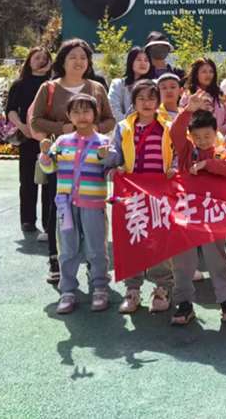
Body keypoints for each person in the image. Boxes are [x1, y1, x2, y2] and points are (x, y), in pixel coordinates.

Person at [30, 39, 116, 285]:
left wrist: (93, 130)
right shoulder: (49, 88)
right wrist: (65, 128)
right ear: (62, 61)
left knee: (92, 214)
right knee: (58, 207)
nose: (79, 62)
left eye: (83, 57)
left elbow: (109, 119)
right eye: (73, 57)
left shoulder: (96, 87)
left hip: (91, 157)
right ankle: (56, 260)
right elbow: (36, 120)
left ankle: (92, 265)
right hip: (62, 157)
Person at [103, 79, 176, 313]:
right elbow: (116, 155)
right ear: (133, 102)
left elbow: (178, 152)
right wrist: (107, 156)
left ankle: (162, 288)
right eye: (141, 98)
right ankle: (132, 289)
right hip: (132, 192)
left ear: (158, 102)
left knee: (159, 239)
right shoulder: (124, 127)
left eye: (151, 98)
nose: (147, 103)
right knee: (132, 238)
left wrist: (175, 168)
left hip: (160, 193)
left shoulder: (169, 126)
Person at [168, 93, 226, 325]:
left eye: (207, 136)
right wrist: (187, 110)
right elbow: (174, 133)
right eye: (197, 136)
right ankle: (184, 303)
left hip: (212, 217)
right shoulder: (186, 150)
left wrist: (207, 164)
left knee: (217, 259)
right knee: (182, 261)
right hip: (186, 215)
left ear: (216, 133)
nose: (202, 140)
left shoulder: (221, 153)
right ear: (191, 136)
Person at [38, 94, 111, 314]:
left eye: (86, 111)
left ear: (95, 114)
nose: (82, 116)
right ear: (68, 116)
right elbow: (50, 168)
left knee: (96, 248)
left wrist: (107, 158)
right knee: (67, 249)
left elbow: (110, 173)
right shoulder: (61, 142)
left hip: (93, 205)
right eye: (76, 112)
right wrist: (45, 154)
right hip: (65, 206)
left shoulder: (104, 142)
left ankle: (100, 288)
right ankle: (68, 290)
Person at [6, 46, 52, 234]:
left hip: (50, 138)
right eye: (36, 58)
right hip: (28, 138)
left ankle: (49, 221)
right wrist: (22, 126)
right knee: (27, 180)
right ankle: (27, 220)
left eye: (44, 58)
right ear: (29, 62)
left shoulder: (54, 84)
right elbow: (11, 110)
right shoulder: (20, 84)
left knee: (50, 180)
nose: (41, 61)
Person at [180, 58, 226, 135]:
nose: (208, 75)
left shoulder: (221, 95)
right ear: (196, 74)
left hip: (219, 138)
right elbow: (182, 119)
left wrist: (218, 131)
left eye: (211, 71)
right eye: (204, 72)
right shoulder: (189, 95)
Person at [107, 47, 155, 121]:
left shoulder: (155, 85)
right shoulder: (118, 84)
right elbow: (113, 110)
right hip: (124, 126)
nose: (143, 63)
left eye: (146, 60)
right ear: (131, 62)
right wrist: (129, 124)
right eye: (139, 59)